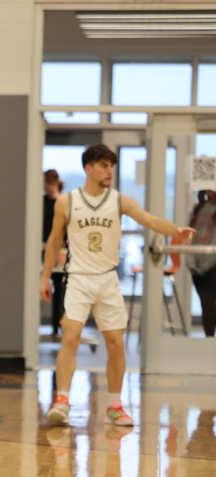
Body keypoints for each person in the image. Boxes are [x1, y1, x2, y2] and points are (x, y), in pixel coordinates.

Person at [40, 144, 195, 426]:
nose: (109, 170)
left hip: (108, 280)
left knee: (115, 344)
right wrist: (45, 277)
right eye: (103, 165)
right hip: (77, 279)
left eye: (111, 166)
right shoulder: (67, 202)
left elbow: (149, 220)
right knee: (71, 338)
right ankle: (61, 400)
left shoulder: (120, 201)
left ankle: (114, 405)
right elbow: (53, 241)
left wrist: (175, 230)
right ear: (88, 169)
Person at [187, 189, 216, 337]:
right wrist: (191, 263)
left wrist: (204, 267)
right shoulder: (198, 208)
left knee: (209, 306)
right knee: (206, 307)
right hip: (197, 266)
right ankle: (209, 343)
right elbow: (190, 236)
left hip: (212, 266)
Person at [43, 169, 66, 338]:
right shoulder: (41, 203)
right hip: (42, 248)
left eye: (49, 183)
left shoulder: (62, 202)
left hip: (59, 251)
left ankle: (58, 326)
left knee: (60, 288)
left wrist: (61, 249)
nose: (46, 187)